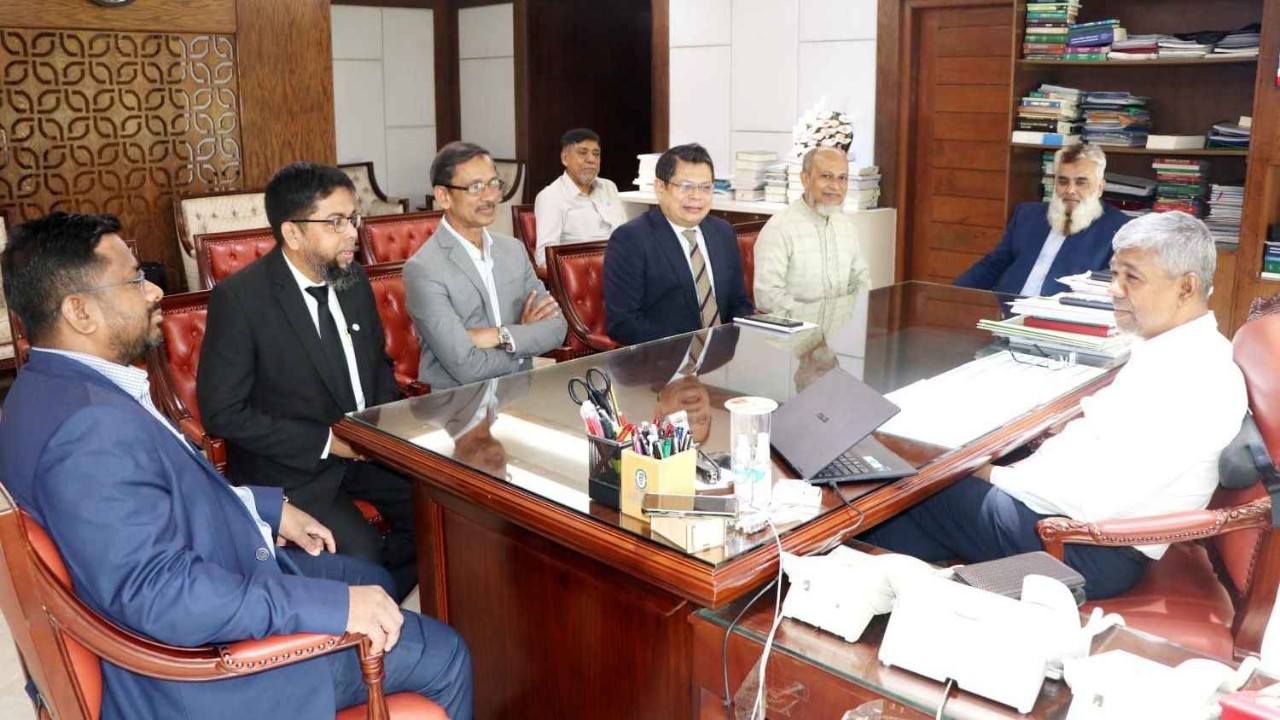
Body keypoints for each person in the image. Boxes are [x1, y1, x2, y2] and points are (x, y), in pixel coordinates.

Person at [0, 212, 472, 719]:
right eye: (135, 280)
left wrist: (267, 509)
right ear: (79, 311)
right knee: (445, 653)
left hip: (211, 571)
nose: (155, 292)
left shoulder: (45, 391)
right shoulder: (90, 429)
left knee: (366, 573)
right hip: (202, 676)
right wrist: (334, 609)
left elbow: (157, 496)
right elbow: (162, 596)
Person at [865, 211, 1246, 600]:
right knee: (919, 505)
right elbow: (1106, 438)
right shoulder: (1171, 349)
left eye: (1132, 278)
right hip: (1067, 515)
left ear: (1186, 288)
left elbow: (1098, 501)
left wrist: (989, 473)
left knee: (916, 484)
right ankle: (877, 579)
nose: (1114, 290)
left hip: (1084, 548)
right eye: (1114, 274)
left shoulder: (1196, 378)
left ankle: (852, 573)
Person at [197, 163, 417, 600]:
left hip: (366, 449)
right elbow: (222, 412)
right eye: (335, 222)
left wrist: (384, 428)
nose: (352, 233)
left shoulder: (352, 279)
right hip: (292, 467)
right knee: (361, 559)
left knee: (446, 513)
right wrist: (327, 442)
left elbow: (376, 364)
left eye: (353, 218)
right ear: (292, 234)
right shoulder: (241, 300)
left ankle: (400, 600)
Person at [405, 141, 567, 389]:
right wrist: (523, 343)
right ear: (443, 196)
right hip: (457, 402)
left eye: (493, 183)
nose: (490, 196)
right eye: (476, 187)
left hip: (519, 394)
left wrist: (501, 335)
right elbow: (466, 366)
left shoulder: (513, 250)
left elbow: (557, 327)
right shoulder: (424, 269)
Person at [604, 143, 754, 345]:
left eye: (705, 187)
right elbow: (623, 324)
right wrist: (688, 348)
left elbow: (739, 303)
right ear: (660, 188)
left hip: (723, 355)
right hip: (664, 358)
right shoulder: (631, 239)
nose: (696, 196)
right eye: (686, 186)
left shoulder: (723, 232)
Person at [954, 143, 1129, 297]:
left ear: (1100, 187)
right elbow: (993, 265)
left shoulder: (1118, 229)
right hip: (1006, 312)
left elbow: (1112, 289)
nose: (1070, 190)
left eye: (1081, 182)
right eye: (1063, 181)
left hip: (1060, 319)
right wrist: (952, 295)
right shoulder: (1027, 215)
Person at [753, 146, 871, 331]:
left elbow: (860, 280)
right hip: (792, 338)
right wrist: (815, 321)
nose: (835, 186)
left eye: (842, 178)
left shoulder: (846, 226)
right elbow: (767, 297)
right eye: (826, 176)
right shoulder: (780, 228)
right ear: (805, 179)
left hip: (839, 334)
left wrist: (851, 319)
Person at [533, 128, 627, 268]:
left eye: (596, 154)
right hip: (587, 272)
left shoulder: (609, 187)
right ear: (565, 158)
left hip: (625, 266)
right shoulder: (551, 197)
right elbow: (544, 258)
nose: (591, 160)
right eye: (583, 153)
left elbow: (626, 235)